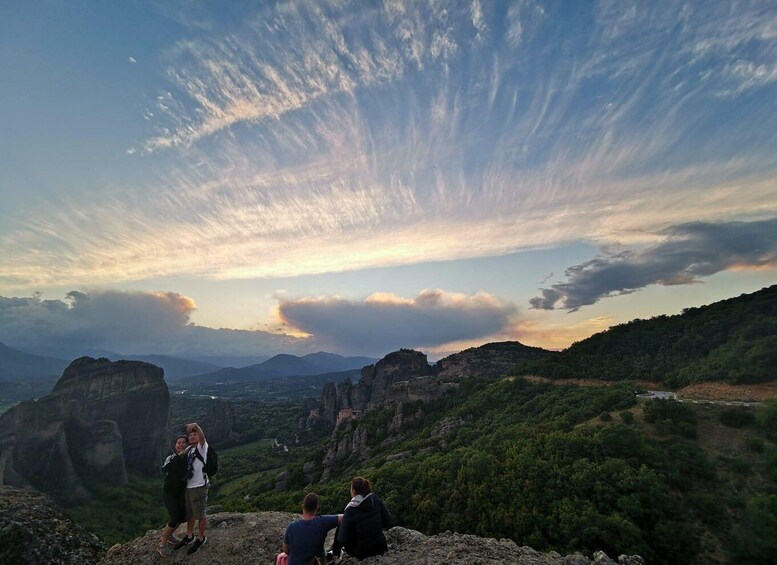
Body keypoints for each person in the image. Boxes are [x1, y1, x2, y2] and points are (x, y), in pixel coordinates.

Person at [329, 477, 391, 561]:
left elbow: (342, 538)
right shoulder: (374, 498)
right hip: (381, 546)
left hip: (362, 553)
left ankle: (335, 554)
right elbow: (387, 519)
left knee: (342, 523)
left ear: (354, 491)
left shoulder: (351, 509)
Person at [174, 423, 211, 555]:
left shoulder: (202, 447)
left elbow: (202, 437)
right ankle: (190, 536)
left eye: (194, 434)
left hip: (199, 486)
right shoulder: (189, 450)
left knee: (200, 514)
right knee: (190, 513)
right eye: (190, 435)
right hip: (188, 486)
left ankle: (201, 538)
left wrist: (196, 426)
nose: (192, 436)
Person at [278, 493, 343, 565]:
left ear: (303, 506)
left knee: (281, 557)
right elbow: (344, 518)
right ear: (317, 507)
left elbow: (286, 550)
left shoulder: (291, 526)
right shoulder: (323, 522)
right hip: (316, 562)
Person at [156, 434, 190, 558]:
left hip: (181, 493)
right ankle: (162, 544)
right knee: (175, 517)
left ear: (187, 445)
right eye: (178, 443)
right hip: (170, 493)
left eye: (183, 443)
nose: (180, 445)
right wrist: (179, 456)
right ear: (175, 446)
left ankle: (170, 535)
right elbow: (165, 469)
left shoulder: (190, 458)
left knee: (183, 517)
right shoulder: (171, 458)